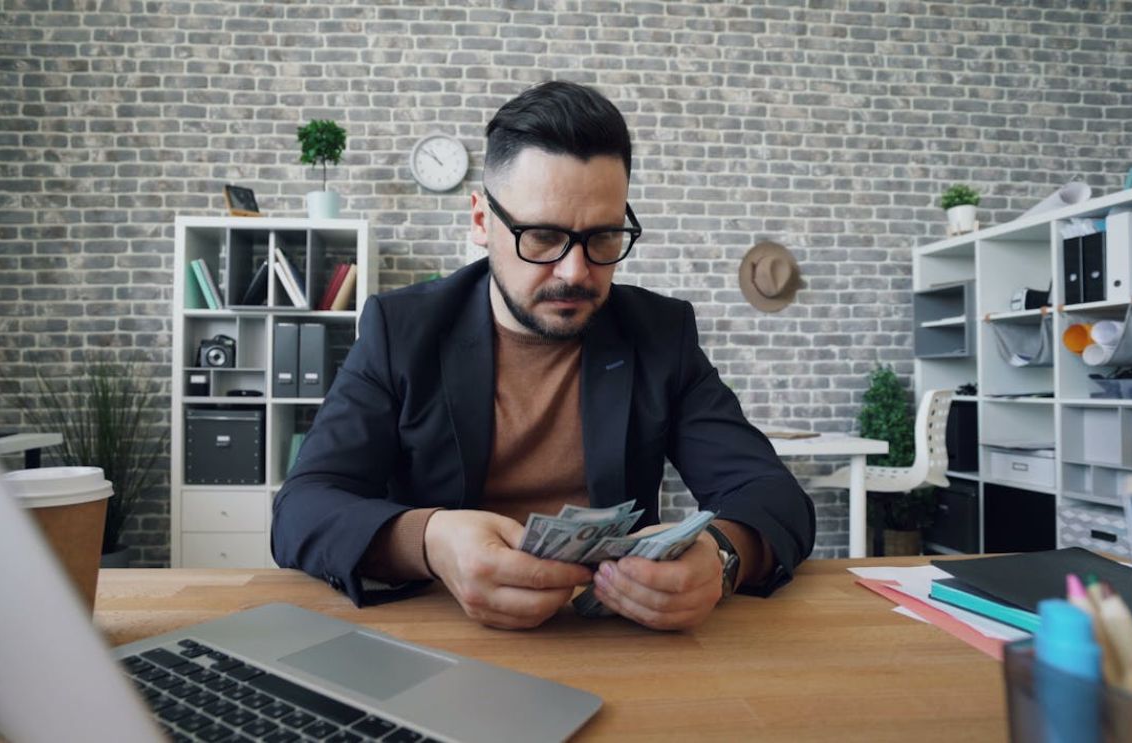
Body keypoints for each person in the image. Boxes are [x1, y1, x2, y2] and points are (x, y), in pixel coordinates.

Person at [272, 80, 815, 631]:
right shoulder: (401, 329)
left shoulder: (659, 334)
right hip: (439, 636)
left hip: (617, 641)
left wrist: (723, 553)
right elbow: (302, 509)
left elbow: (772, 494)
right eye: (541, 237)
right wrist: (431, 540)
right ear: (482, 221)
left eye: (603, 238)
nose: (576, 271)